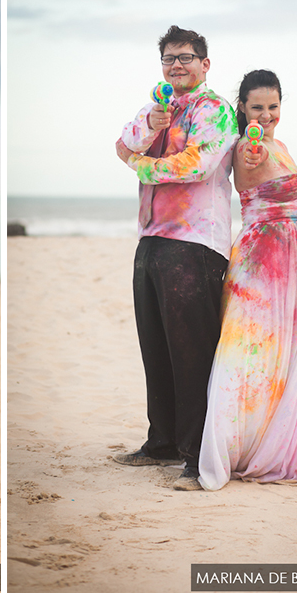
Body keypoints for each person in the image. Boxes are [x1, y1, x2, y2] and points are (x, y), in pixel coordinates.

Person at [197, 70, 297, 491]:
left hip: (296, 257)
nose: (265, 115)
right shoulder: (248, 145)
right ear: (242, 109)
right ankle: (231, 448)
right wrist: (250, 149)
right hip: (263, 257)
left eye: (272, 106)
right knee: (247, 351)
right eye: (256, 107)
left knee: (287, 353)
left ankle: (272, 435)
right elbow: (248, 165)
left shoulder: (278, 145)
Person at [112, 25, 237, 491]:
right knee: (156, 346)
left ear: (205, 64)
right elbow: (122, 144)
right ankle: (161, 442)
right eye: (169, 58)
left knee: (191, 353)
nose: (176, 65)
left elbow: (197, 165)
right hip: (151, 238)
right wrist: (150, 129)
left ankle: (195, 456)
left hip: (195, 242)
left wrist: (142, 166)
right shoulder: (157, 107)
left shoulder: (216, 110)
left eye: (185, 57)